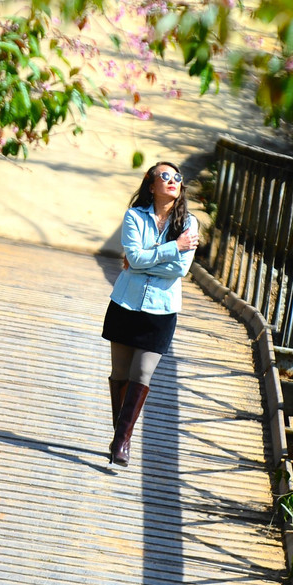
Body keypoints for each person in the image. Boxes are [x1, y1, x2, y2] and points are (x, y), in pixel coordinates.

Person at [102, 161, 199, 469]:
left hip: (161, 310)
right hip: (126, 305)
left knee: (141, 375)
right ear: (151, 184)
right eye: (164, 176)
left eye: (177, 177)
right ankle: (121, 432)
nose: (172, 181)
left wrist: (145, 260)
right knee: (120, 375)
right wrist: (173, 247)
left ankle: (122, 441)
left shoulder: (189, 225)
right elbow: (134, 257)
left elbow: (180, 269)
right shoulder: (134, 216)